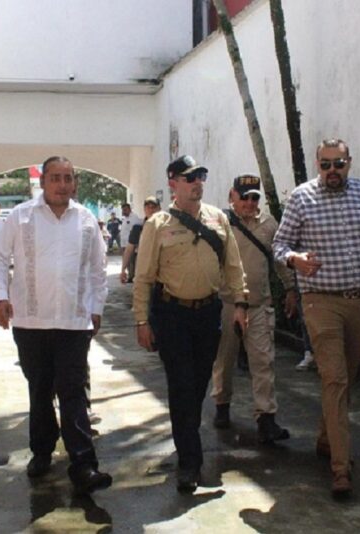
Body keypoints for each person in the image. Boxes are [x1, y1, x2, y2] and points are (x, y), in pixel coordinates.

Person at [273, 138, 360, 498]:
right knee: (335, 378)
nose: (332, 171)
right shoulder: (302, 198)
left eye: (338, 164)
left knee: (345, 379)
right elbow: (279, 245)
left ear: (349, 163)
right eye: (325, 164)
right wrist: (295, 259)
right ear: (317, 165)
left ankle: (327, 438)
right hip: (320, 302)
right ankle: (341, 468)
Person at [0, 156, 112, 494]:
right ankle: (42, 451)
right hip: (31, 321)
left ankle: (83, 464)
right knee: (40, 389)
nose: (62, 184)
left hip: (74, 321)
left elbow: (98, 268)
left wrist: (96, 307)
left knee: (73, 391)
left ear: (75, 183)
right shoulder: (20, 216)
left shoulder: (86, 220)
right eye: (55, 177)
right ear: (43, 182)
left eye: (68, 178)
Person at [133, 155, 247, 493]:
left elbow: (233, 266)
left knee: (197, 386)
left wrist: (240, 303)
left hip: (208, 313)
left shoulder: (218, 219)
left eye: (200, 177)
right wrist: (142, 320)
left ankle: (186, 436)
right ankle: (189, 462)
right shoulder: (158, 224)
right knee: (182, 385)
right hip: (172, 316)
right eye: (189, 178)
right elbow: (143, 277)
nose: (197, 183)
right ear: (173, 183)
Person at [211, 174, 296, 443]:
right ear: (232, 196)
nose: (249, 203)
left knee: (263, 362)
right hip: (227, 303)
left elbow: (279, 258)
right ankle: (222, 404)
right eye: (244, 197)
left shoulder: (269, 224)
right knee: (224, 360)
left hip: (259, 305)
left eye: (254, 198)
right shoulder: (221, 224)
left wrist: (290, 287)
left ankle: (266, 417)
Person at [119, 196, 160, 284]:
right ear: (144, 210)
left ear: (159, 209)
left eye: (154, 207)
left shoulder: (167, 228)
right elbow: (129, 250)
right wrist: (123, 270)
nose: (151, 210)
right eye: (148, 207)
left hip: (163, 273)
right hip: (144, 273)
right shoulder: (138, 228)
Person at [120, 202, 143, 279]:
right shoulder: (125, 219)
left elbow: (135, 231)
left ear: (129, 209)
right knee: (126, 260)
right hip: (124, 243)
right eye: (123, 210)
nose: (123, 212)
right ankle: (129, 274)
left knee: (131, 260)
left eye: (125, 210)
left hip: (130, 243)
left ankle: (131, 276)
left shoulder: (134, 218)